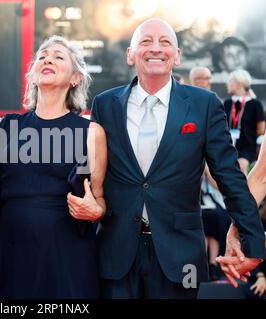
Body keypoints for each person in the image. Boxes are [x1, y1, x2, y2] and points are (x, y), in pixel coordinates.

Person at [91, 18, 265, 299]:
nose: (156, 48)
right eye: (146, 41)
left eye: (165, 42)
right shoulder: (105, 104)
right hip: (116, 252)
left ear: (178, 55)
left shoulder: (204, 104)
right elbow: (95, 173)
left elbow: (228, 175)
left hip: (180, 254)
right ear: (130, 54)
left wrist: (253, 242)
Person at [0, 35, 107, 299]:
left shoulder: (91, 132)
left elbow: (100, 200)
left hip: (66, 257)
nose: (47, 59)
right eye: (42, 56)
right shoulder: (9, 126)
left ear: (75, 78)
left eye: (59, 56)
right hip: (10, 255)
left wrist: (96, 211)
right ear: (34, 75)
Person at [189, 66, 231, 281]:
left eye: (207, 78)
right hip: (186, 177)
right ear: (192, 80)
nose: (205, 81)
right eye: (200, 78)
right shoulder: (183, 101)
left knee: (217, 218)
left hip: (209, 178)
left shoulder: (214, 103)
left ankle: (212, 264)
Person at [223, 69, 265, 175]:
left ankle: (243, 191)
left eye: (230, 81)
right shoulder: (227, 103)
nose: (228, 84)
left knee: (241, 168)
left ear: (239, 83)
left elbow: (261, 130)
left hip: (247, 146)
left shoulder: (255, 104)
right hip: (228, 145)